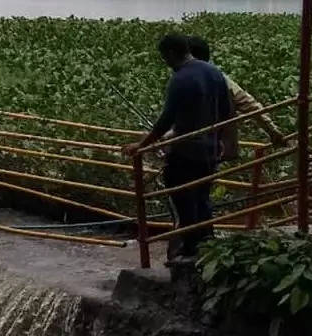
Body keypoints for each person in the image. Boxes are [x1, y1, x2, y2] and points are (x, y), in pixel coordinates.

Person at [122, 33, 232, 259]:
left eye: (164, 57)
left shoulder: (180, 79)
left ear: (172, 53)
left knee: (183, 199)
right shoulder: (214, 72)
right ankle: (207, 243)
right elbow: (225, 112)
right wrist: (217, 138)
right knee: (202, 198)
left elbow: (166, 120)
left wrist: (141, 145)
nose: (165, 62)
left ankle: (191, 248)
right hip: (209, 150)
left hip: (185, 151)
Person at [187, 36, 287, 149]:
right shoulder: (219, 78)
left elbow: (250, 106)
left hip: (205, 145)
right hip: (210, 144)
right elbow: (251, 106)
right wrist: (273, 131)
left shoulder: (215, 80)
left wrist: (273, 132)